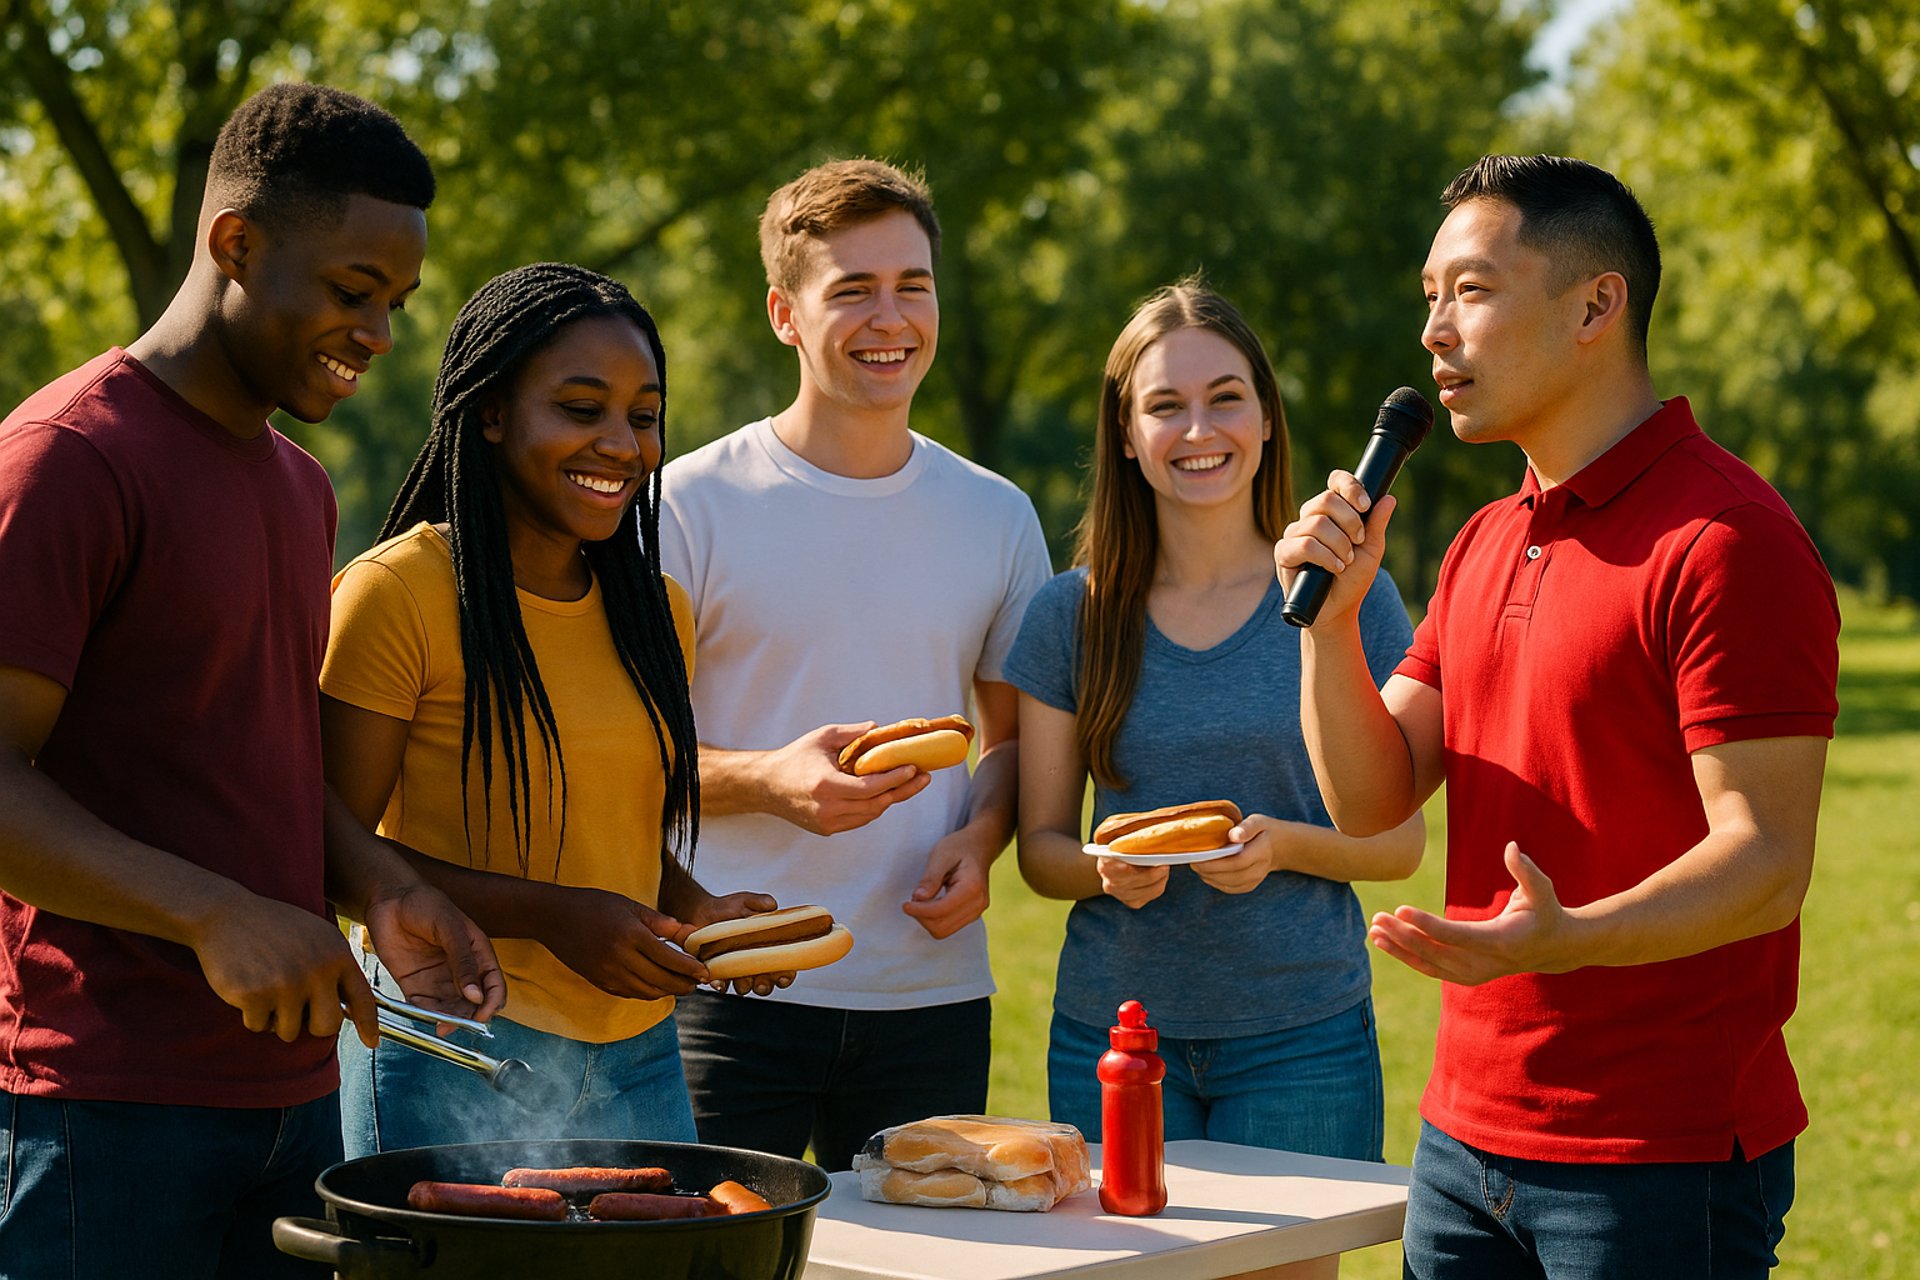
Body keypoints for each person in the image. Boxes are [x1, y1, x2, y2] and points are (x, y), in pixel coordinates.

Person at [1276, 155, 1838, 1278]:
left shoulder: (1725, 539)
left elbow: (1768, 860)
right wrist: (1329, 629)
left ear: (1596, 304)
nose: (1434, 330)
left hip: (1659, 1155)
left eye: (1472, 291)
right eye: (1428, 295)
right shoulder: (1486, 540)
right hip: (1463, 1139)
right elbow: (1373, 793)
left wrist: (1570, 936)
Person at [0, 83, 502, 1279]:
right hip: (102, 1107)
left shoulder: (300, 485)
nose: (380, 332)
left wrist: (381, 883)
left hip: (292, 1092)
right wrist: (215, 915)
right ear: (236, 243)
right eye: (350, 291)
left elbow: (253, 765)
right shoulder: (67, 461)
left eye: (396, 302)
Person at [322, 263, 783, 1154]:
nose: (622, 444)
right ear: (491, 413)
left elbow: (613, 832)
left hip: (641, 1052)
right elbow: (327, 847)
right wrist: (556, 915)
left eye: (642, 417)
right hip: (456, 1045)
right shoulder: (398, 593)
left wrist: (692, 910)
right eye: (581, 409)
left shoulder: (659, 614)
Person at [657, 159, 1053, 1170]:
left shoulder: (997, 515)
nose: (892, 317)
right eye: (853, 290)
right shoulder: (686, 505)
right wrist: (765, 779)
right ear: (785, 313)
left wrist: (985, 833)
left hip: (929, 994)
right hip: (727, 982)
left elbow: (1010, 739)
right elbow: (619, 750)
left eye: (912, 284)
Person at [1005, 280, 1422, 1168]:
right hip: (1114, 1039)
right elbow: (1042, 850)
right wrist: (1103, 870)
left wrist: (1282, 847)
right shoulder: (1066, 616)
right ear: (1126, 435)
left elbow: (1398, 845)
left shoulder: (1348, 594)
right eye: (1166, 407)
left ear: (1267, 418)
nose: (1199, 430)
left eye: (1226, 399)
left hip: (1301, 1038)